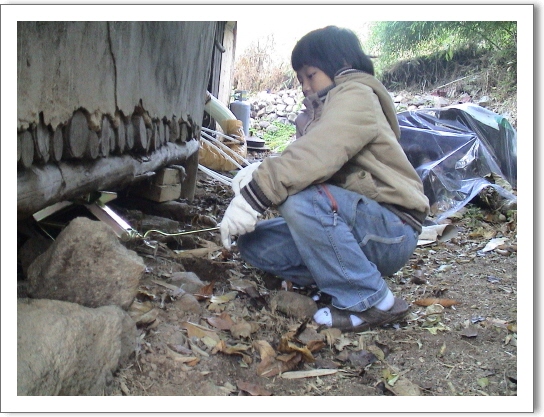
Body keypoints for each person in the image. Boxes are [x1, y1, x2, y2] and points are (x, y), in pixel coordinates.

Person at [220, 26, 430, 333]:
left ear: (340, 63)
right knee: (255, 243)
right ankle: (340, 283)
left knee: (300, 198)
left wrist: (255, 195)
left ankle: (372, 301)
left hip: (392, 228)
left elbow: (317, 155)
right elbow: (305, 157)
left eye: (311, 74)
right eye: (301, 79)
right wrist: (257, 172)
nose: (305, 86)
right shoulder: (322, 110)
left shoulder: (356, 95)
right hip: (359, 225)